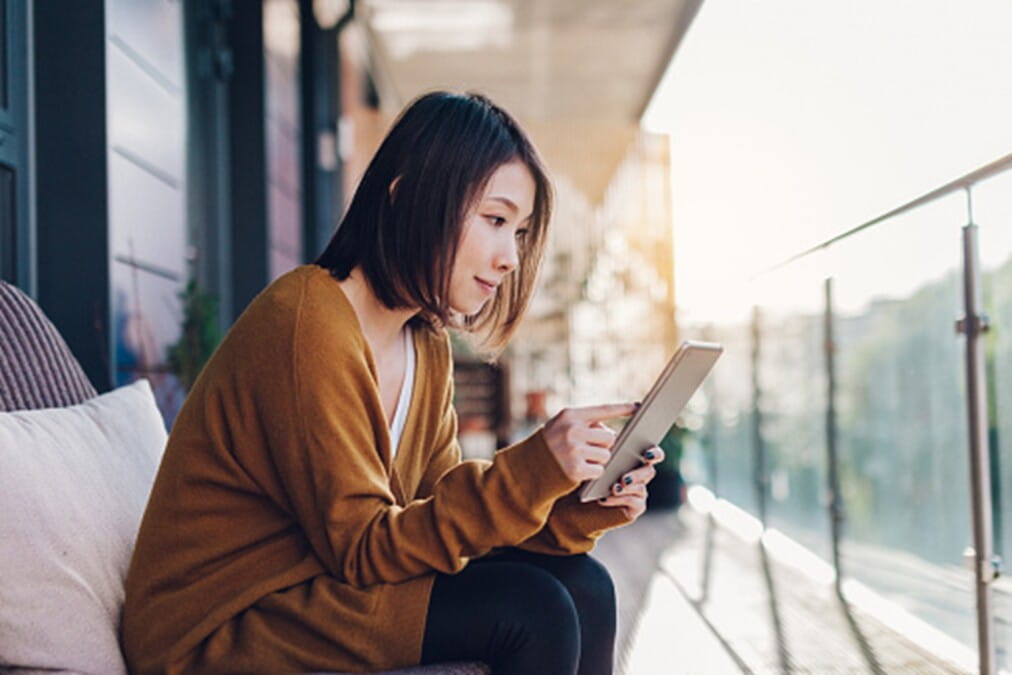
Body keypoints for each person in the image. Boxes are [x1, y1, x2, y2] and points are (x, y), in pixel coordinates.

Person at [122, 91, 665, 675]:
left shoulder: (424, 344)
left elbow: (442, 522)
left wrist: (577, 504)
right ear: (409, 197)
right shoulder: (307, 323)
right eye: (496, 220)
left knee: (586, 585)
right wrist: (529, 470)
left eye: (521, 231)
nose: (510, 255)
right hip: (221, 626)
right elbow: (362, 548)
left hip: (317, 589)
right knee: (533, 610)